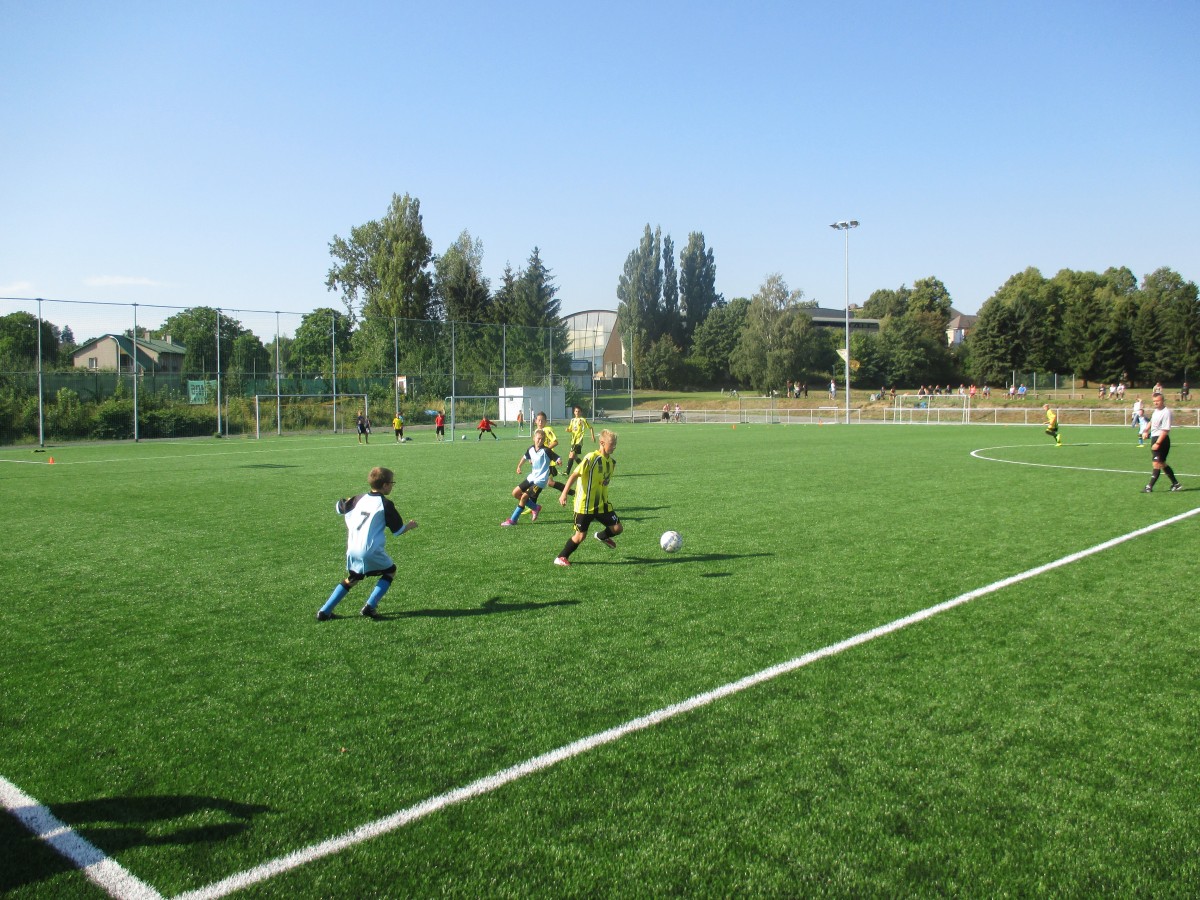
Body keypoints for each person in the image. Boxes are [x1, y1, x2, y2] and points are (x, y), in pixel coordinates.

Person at [317, 466, 418, 621]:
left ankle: (324, 611)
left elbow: (339, 507)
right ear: (385, 485)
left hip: (352, 548)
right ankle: (370, 607)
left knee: (353, 578)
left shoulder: (358, 499)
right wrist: (409, 526)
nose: (392, 486)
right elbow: (397, 531)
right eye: (392, 483)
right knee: (390, 571)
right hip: (370, 550)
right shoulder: (385, 504)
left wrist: (344, 500)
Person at [555, 429, 621, 566]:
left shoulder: (612, 463)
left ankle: (601, 536)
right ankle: (561, 557)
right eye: (612, 444)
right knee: (580, 536)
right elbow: (574, 475)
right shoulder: (591, 457)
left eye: (615, 444)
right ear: (602, 443)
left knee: (617, 528)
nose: (614, 446)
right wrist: (564, 493)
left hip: (602, 504)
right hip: (584, 505)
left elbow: (603, 481)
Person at [501, 428, 553, 526]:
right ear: (534, 438)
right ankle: (535, 507)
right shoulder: (531, 449)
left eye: (542, 439)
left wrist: (558, 460)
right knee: (515, 493)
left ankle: (513, 520)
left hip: (540, 480)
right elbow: (525, 457)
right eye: (538, 438)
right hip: (532, 477)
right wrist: (519, 466)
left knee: (524, 497)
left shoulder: (546, 450)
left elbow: (556, 456)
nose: (540, 441)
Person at [1142, 392, 1182, 492]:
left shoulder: (1166, 412)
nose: (1155, 403)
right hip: (1155, 438)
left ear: (1163, 401)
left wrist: (1158, 443)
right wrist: (1146, 430)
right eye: (1154, 401)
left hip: (1161, 440)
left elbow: (1165, 430)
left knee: (1156, 463)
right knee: (1162, 463)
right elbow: (1152, 421)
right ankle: (1176, 484)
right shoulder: (1156, 411)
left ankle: (1149, 487)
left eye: (1158, 401)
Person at [565, 405, 596, 475]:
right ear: (574, 412)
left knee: (571, 455)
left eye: (579, 411)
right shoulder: (572, 420)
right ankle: (586, 469)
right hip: (573, 441)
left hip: (579, 441)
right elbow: (571, 429)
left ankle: (567, 472)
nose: (577, 413)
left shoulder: (583, 420)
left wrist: (592, 436)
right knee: (574, 456)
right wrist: (568, 430)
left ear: (581, 412)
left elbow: (591, 428)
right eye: (576, 411)